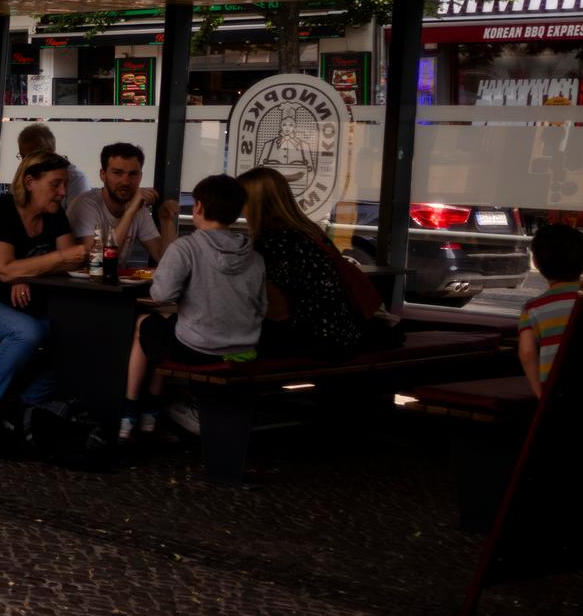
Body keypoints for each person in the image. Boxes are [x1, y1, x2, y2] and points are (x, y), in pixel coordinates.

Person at [0, 152, 89, 451]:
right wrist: (26, 270)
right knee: (27, 332)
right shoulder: (0, 212)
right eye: (55, 184)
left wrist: (25, 271)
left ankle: (29, 405)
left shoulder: (54, 215)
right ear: (29, 182)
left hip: (19, 305)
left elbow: (72, 264)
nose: (62, 192)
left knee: (77, 334)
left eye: (64, 184)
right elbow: (6, 269)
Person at [124, 174, 267, 441]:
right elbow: (261, 307)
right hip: (244, 350)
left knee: (146, 324)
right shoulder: (254, 256)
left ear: (198, 207)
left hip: (198, 350)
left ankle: (131, 411)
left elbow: (161, 294)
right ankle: (151, 412)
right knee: (166, 327)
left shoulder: (186, 247)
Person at [241, 166, 380, 361]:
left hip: (308, 341)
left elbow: (277, 310)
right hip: (344, 334)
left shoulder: (269, 244)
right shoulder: (310, 233)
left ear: (254, 203)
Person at [64, 143, 172, 272]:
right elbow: (98, 264)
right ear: (103, 175)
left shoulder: (137, 206)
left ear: (141, 176)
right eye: (117, 173)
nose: (125, 181)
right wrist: (130, 212)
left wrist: (167, 221)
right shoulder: (86, 204)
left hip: (115, 286)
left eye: (133, 174)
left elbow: (166, 260)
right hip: (83, 288)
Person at [518, 223, 583, 397]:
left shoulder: (533, 308)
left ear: (535, 262)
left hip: (556, 392)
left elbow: (527, 354)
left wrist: (541, 395)